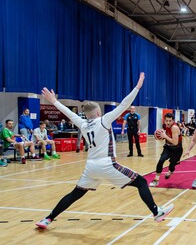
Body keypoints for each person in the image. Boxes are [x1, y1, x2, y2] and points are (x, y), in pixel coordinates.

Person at [35, 72, 173, 230]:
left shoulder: (83, 124)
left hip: (90, 168)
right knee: (141, 182)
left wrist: (54, 101)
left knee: (75, 194)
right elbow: (124, 104)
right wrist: (137, 87)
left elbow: (69, 113)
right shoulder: (104, 120)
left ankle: (48, 219)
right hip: (107, 165)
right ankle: (157, 212)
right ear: (99, 112)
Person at [149, 113, 183, 187]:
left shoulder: (174, 127)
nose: (168, 122)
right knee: (161, 160)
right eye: (166, 120)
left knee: (171, 165)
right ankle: (156, 180)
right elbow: (165, 135)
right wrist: (160, 136)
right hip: (168, 147)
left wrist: (165, 136)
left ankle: (170, 172)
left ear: (173, 121)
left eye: (170, 121)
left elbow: (175, 142)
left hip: (177, 149)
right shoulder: (165, 126)